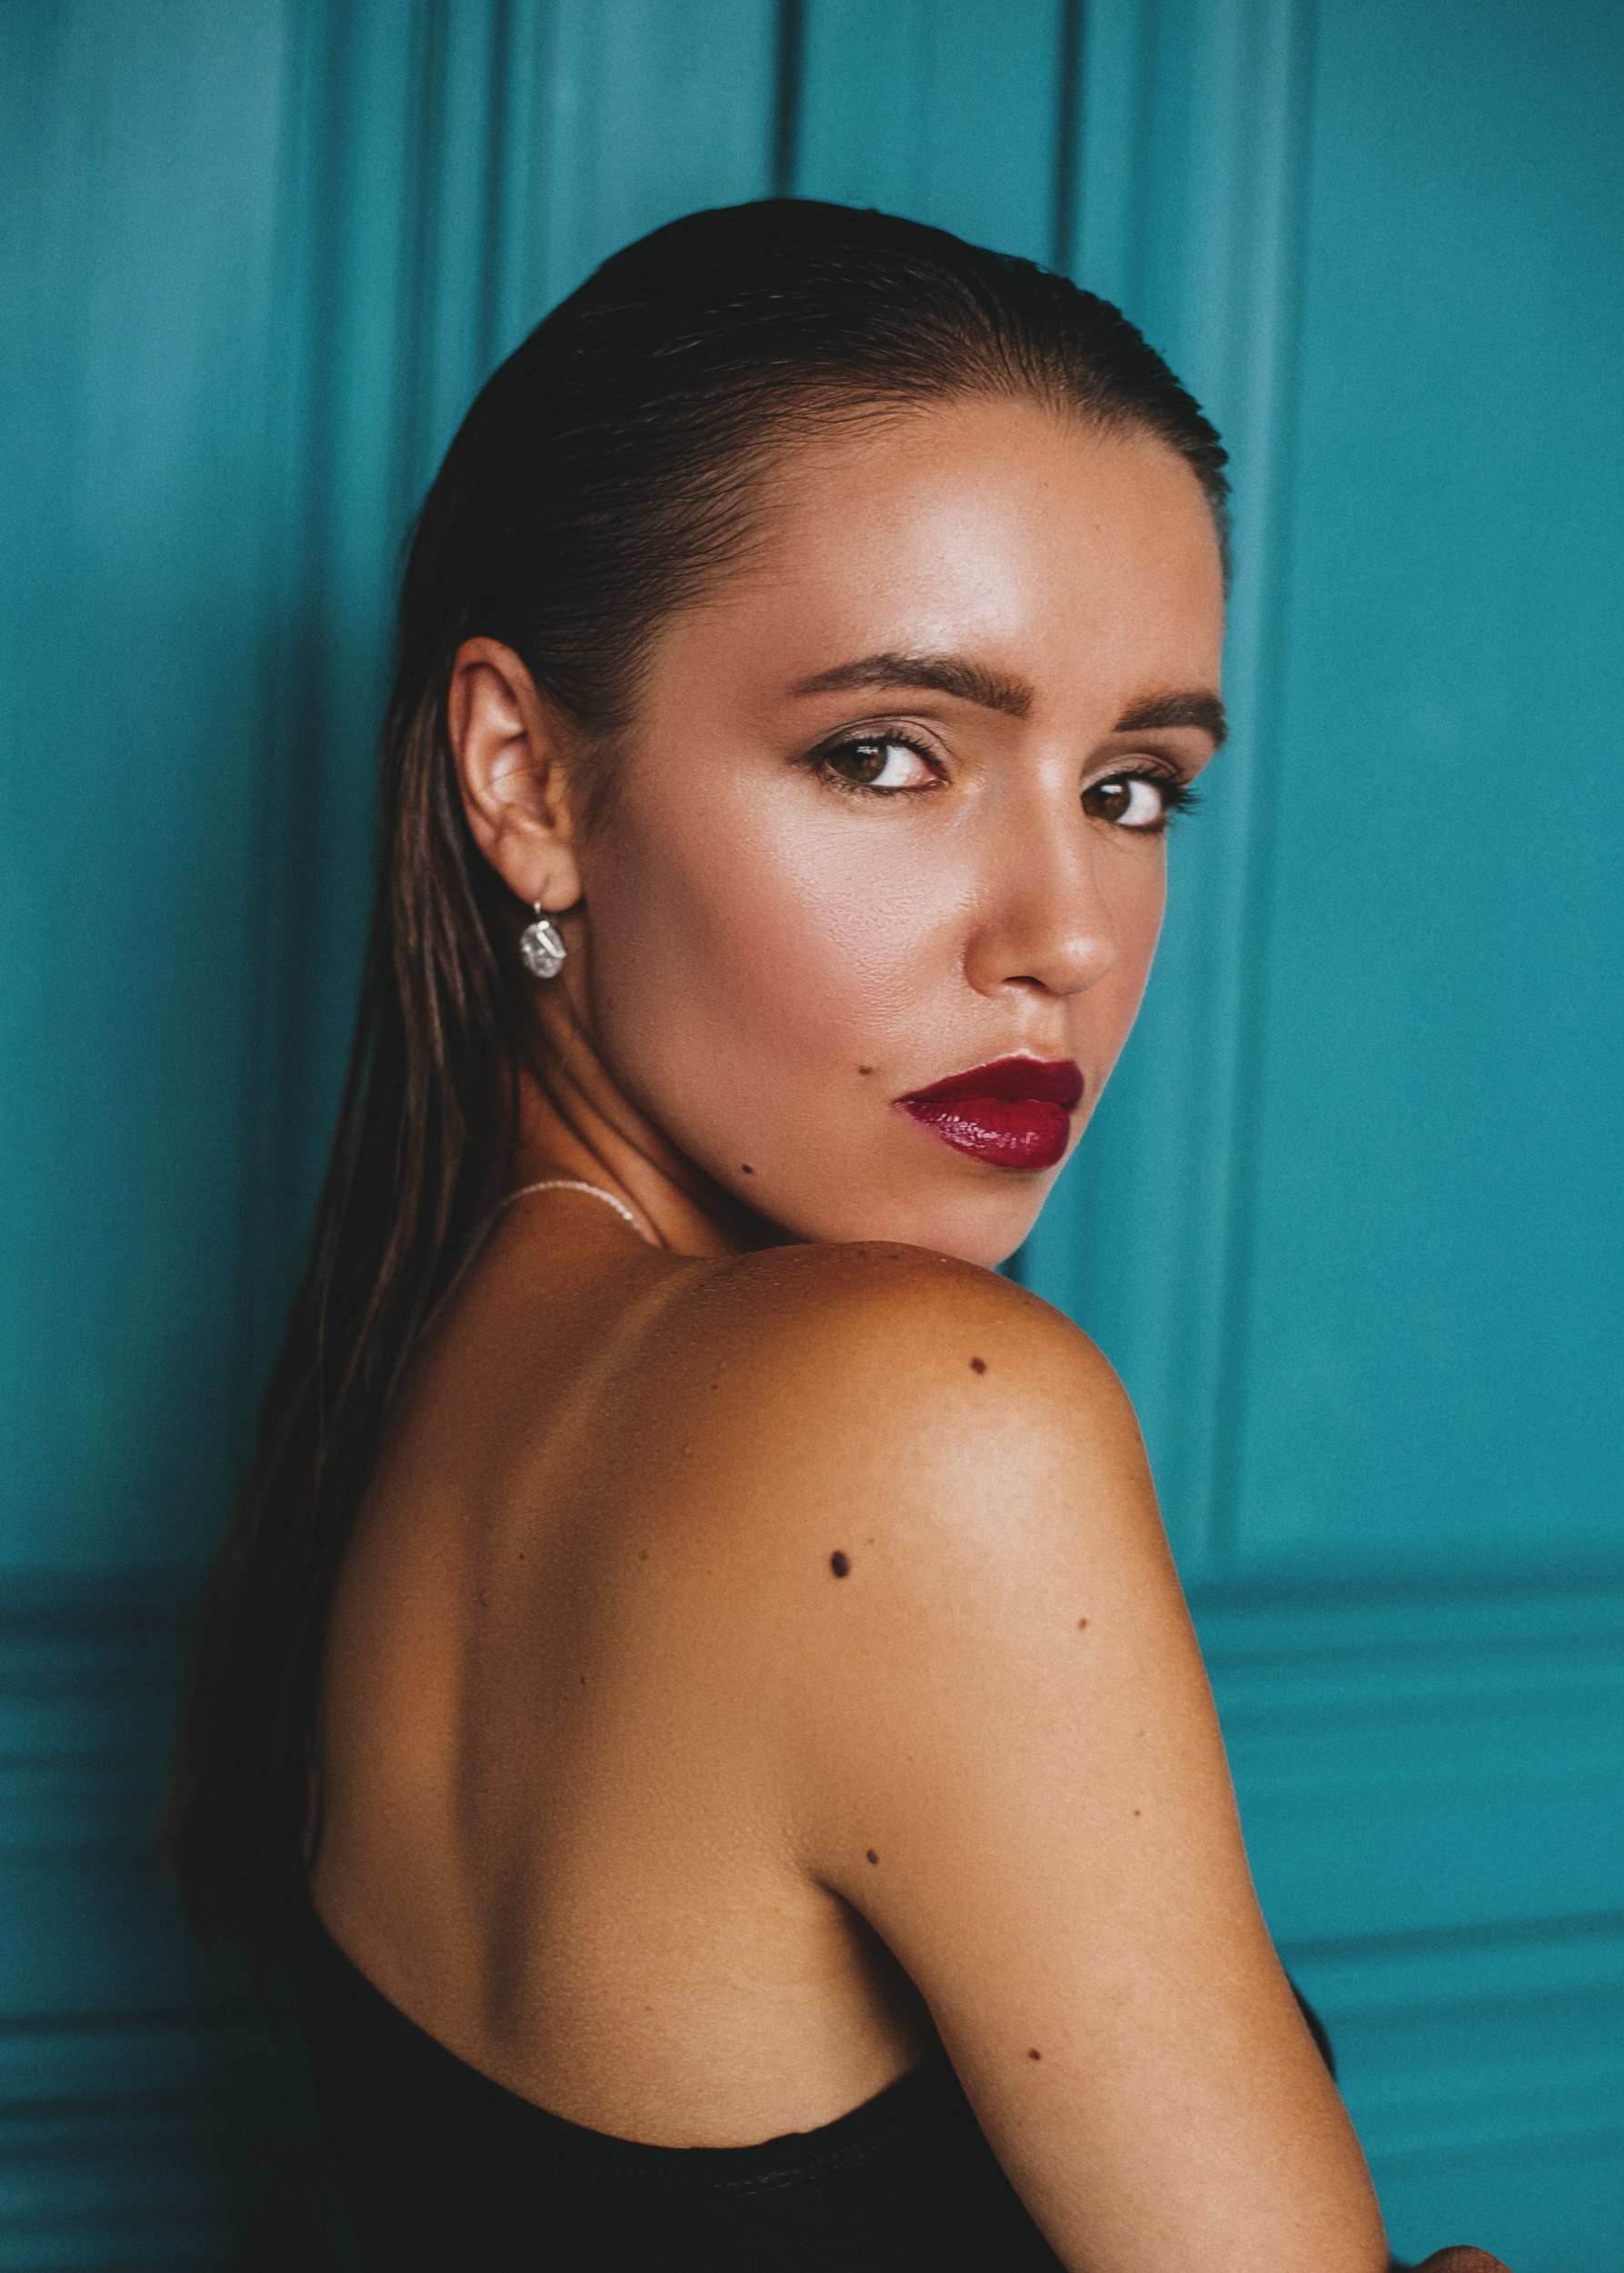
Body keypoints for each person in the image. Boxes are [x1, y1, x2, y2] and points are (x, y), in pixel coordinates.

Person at [166, 201, 1510, 2273]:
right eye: (887, 755)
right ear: (524, 777)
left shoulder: (423, 1393)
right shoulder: (920, 1419)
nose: (1062, 938)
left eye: (1131, 787)